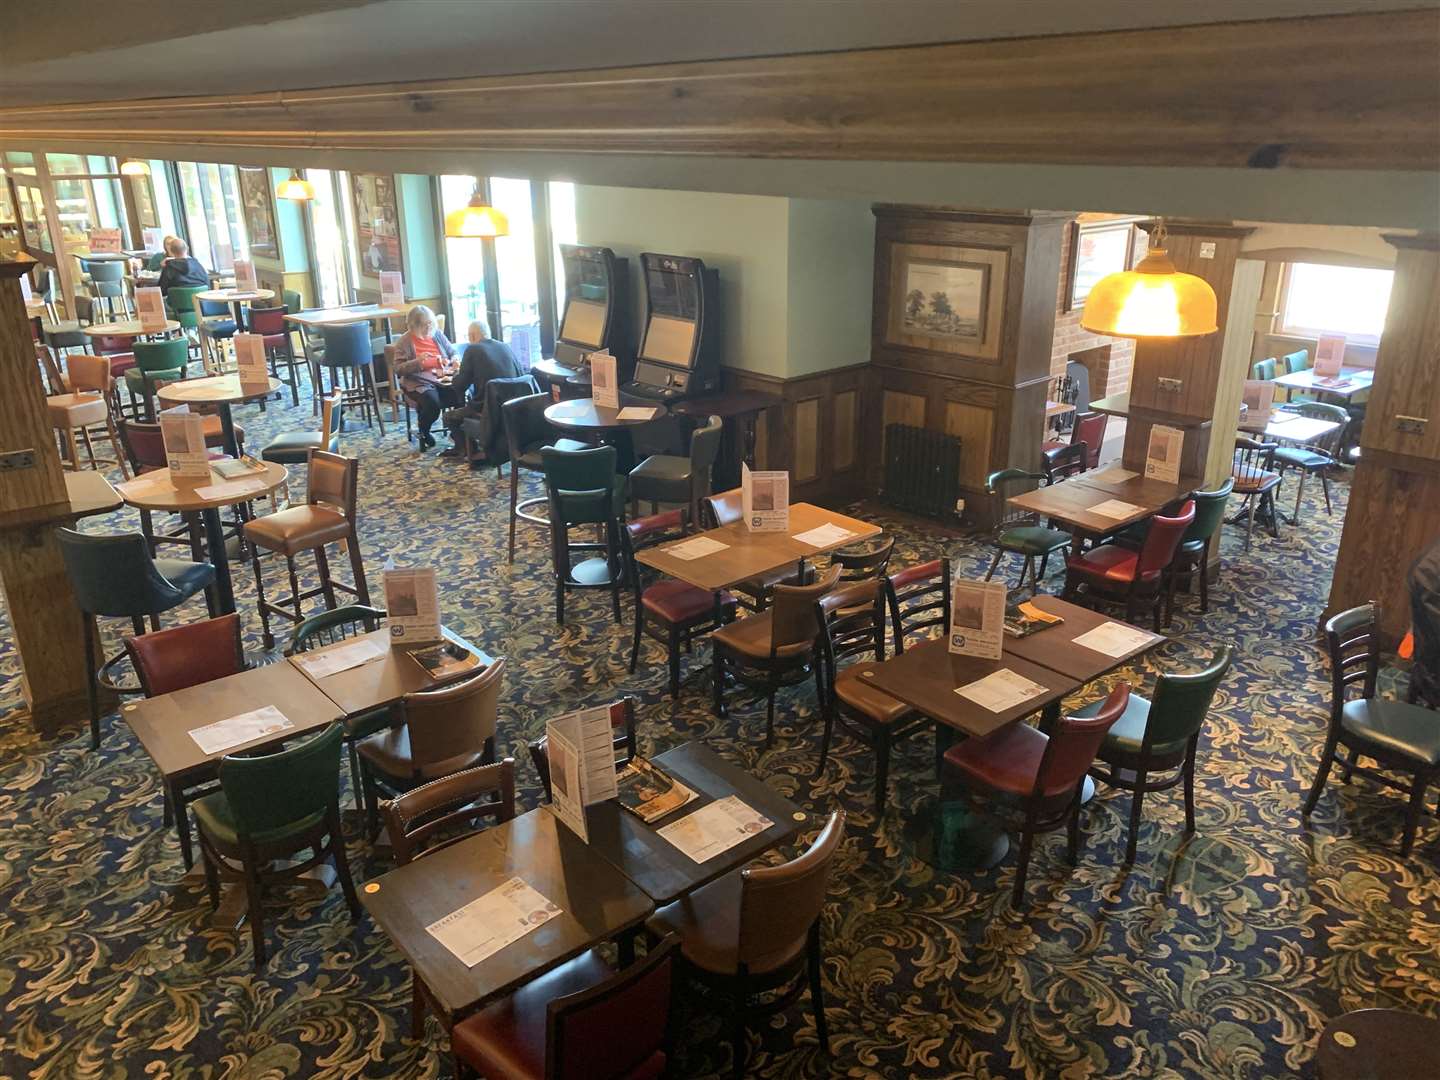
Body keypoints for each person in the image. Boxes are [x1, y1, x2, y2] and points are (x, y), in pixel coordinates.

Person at [440, 320, 526, 457]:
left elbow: (460, 384)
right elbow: (522, 374)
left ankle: (468, 450)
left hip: (488, 409)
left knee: (448, 417)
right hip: (514, 407)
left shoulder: (473, 349)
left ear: (472, 336)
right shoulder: (505, 346)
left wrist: (455, 374)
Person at [392, 304, 458, 449]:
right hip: (418, 383)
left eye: (430, 323)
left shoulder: (437, 334)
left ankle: (458, 435)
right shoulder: (404, 341)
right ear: (413, 326)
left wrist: (454, 360)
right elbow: (398, 369)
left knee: (461, 395)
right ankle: (424, 430)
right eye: (423, 325)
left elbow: (453, 351)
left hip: (442, 379)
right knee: (432, 403)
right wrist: (418, 362)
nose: (428, 328)